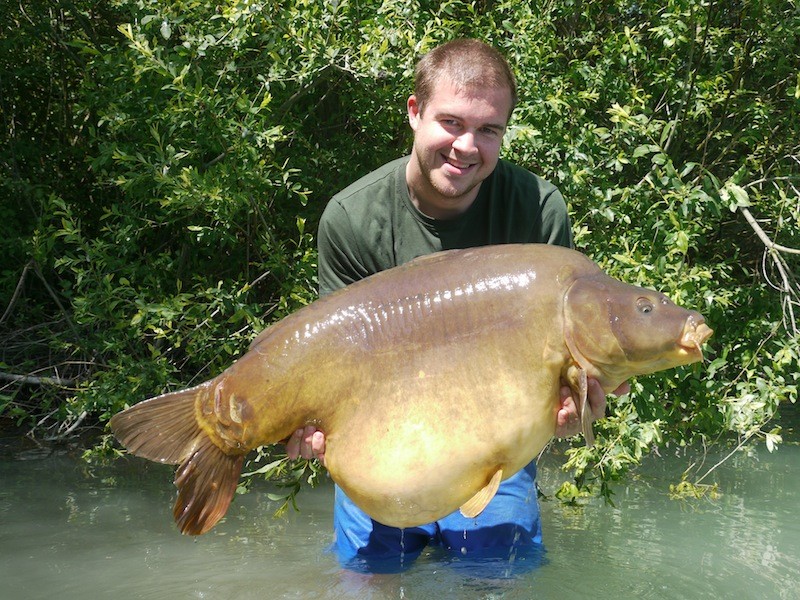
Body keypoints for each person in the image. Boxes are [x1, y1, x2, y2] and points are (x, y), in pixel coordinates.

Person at [286, 38, 627, 570]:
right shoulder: (351, 217)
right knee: (368, 581)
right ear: (415, 112)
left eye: (488, 130)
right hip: (387, 443)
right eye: (451, 122)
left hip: (493, 447)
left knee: (498, 577)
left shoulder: (537, 211)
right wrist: (310, 422)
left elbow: (562, 367)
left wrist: (569, 404)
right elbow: (337, 364)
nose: (467, 146)